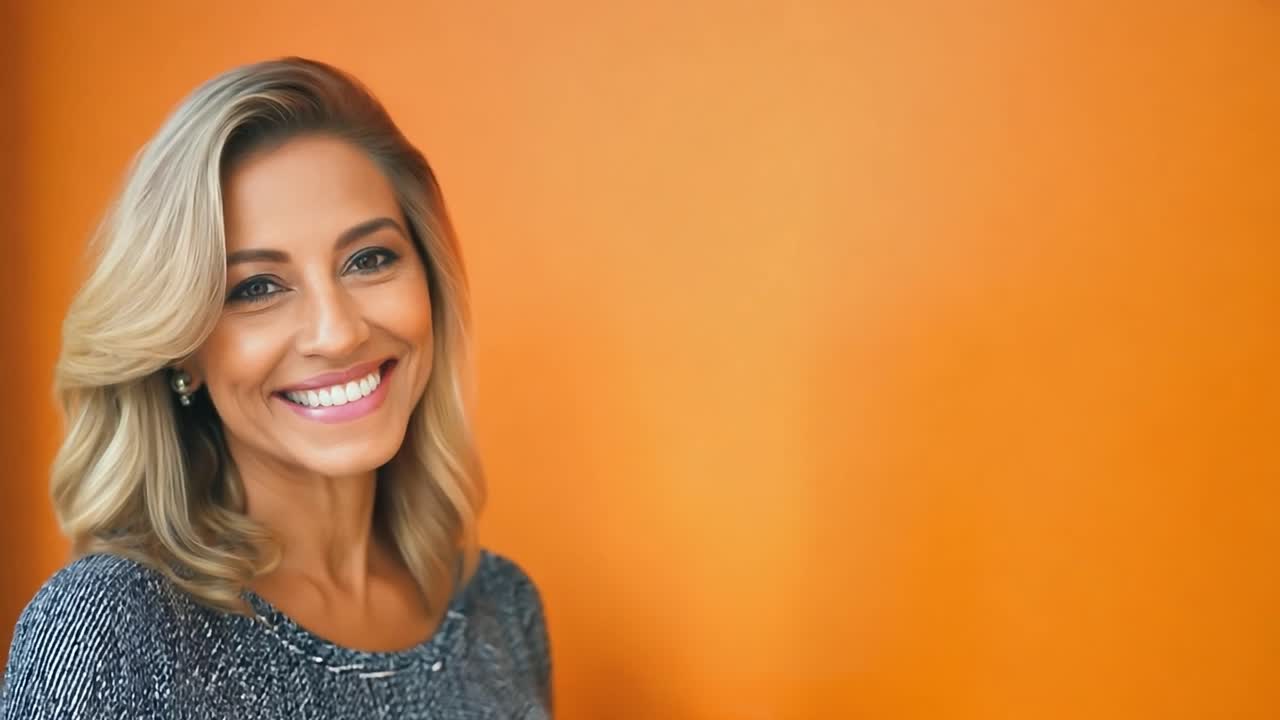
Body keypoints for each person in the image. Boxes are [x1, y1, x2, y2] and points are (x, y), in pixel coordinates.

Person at [0, 56, 552, 718]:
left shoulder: (500, 610)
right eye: (257, 287)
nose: (337, 333)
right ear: (182, 350)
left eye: (368, 259)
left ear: (430, 281)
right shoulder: (113, 627)